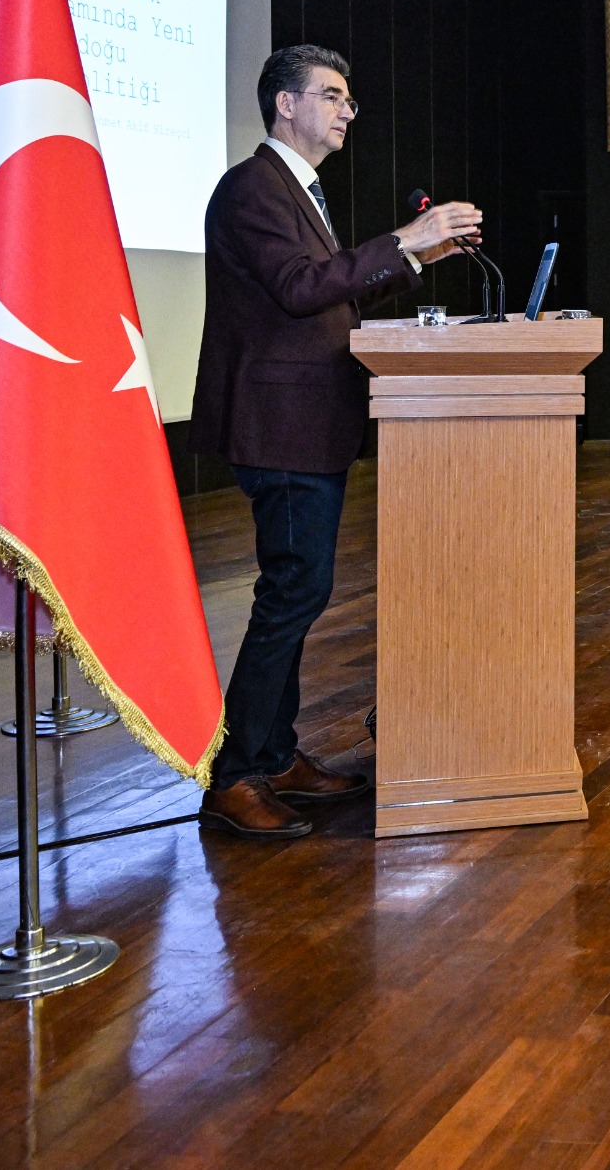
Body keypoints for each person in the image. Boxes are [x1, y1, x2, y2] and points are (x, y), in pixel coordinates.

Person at [192, 45, 484, 838]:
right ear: (285, 105)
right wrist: (403, 237)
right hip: (277, 424)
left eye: (349, 99)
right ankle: (235, 775)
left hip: (306, 423)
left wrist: (417, 254)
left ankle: (275, 754)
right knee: (292, 592)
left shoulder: (298, 189)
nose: (348, 111)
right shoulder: (253, 187)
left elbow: (328, 297)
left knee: (301, 590)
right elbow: (297, 289)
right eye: (332, 96)